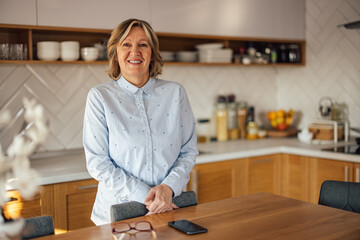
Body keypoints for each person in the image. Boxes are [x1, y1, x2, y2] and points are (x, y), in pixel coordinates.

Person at [83, 18, 198, 225]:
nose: (134, 52)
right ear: (115, 53)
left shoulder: (175, 93)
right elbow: (98, 163)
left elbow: (188, 151)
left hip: (167, 211)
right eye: (126, 44)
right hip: (117, 215)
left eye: (142, 45)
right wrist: (150, 196)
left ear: (152, 52)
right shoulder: (100, 97)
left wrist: (168, 189)